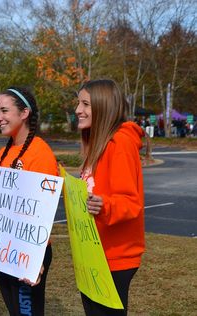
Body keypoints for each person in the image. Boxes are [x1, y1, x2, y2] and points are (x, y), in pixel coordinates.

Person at [75, 79, 145, 316]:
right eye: (78, 103)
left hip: (114, 256)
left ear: (103, 106)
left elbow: (130, 202)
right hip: (94, 254)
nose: (78, 110)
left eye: (85, 104)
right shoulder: (96, 143)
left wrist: (105, 205)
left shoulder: (121, 143)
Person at [0, 86, 57, 315]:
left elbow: (43, 213)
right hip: (5, 248)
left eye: (4, 111)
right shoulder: (4, 153)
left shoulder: (40, 154)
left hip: (28, 250)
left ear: (24, 113)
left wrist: (36, 259)